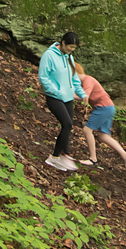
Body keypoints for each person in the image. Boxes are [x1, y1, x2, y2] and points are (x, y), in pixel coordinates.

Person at [73, 63, 126, 172]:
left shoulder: (87, 80)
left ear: (76, 73)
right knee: (104, 136)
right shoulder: (84, 82)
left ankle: (93, 160)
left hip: (103, 107)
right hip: (109, 107)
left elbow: (85, 97)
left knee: (87, 130)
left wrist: (69, 95)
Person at [38, 31, 82, 172]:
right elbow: (43, 77)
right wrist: (57, 91)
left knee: (68, 126)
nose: (71, 50)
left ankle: (64, 155)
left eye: (74, 48)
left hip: (67, 97)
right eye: (70, 47)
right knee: (67, 123)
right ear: (62, 43)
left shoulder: (69, 57)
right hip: (54, 97)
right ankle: (54, 157)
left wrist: (81, 92)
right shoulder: (49, 55)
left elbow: (74, 77)